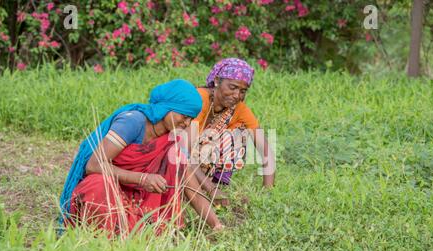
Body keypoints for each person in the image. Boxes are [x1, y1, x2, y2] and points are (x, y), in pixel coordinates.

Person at [59, 79, 224, 237]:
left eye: (191, 118)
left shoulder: (172, 140)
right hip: (109, 190)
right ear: (167, 107)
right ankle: (111, 233)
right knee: (98, 185)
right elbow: (94, 166)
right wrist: (142, 178)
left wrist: (216, 225)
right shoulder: (133, 122)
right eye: (184, 116)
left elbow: (192, 189)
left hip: (136, 201)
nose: (187, 123)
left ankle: (132, 231)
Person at [189, 58, 275, 205]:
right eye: (232, 87)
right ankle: (198, 188)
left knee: (238, 134)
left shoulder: (239, 109)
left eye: (243, 91)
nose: (237, 95)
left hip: (199, 163)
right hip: (177, 159)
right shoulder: (199, 98)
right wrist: (211, 190)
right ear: (216, 81)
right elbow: (183, 153)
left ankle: (218, 183)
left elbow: (265, 150)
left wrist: (267, 194)